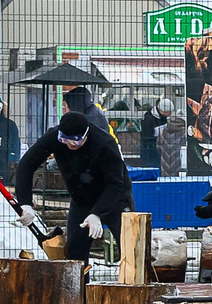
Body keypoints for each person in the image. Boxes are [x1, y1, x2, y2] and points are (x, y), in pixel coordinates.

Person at [13, 107, 136, 263]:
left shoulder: (104, 144)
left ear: (86, 135)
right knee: (75, 254)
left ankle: (134, 285)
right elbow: (26, 164)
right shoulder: (53, 137)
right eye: (64, 139)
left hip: (115, 199)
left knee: (130, 249)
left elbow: (115, 184)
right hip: (81, 200)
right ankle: (79, 286)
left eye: (75, 140)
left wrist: (97, 213)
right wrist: (26, 203)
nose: (70, 144)